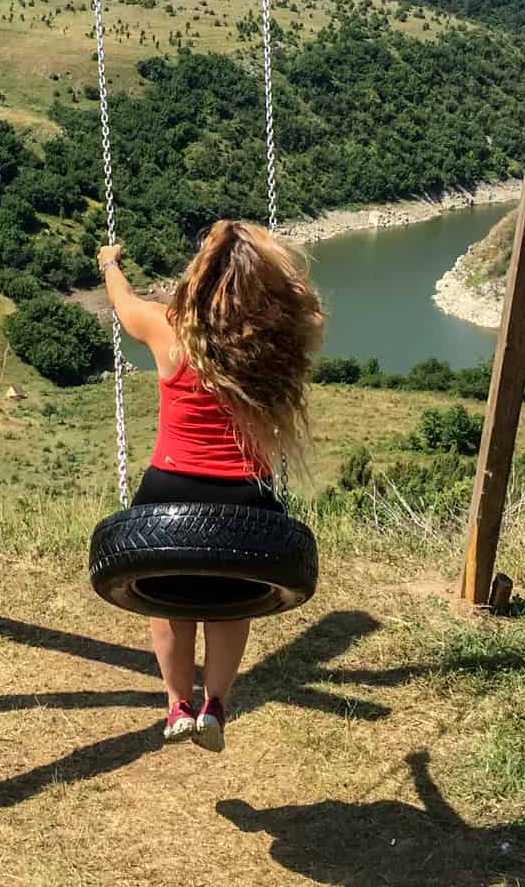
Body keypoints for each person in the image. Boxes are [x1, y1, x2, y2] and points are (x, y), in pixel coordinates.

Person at [98, 219, 325, 753]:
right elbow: (309, 314)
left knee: (168, 602)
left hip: (168, 493)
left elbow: (124, 306)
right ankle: (216, 703)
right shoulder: (274, 345)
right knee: (233, 602)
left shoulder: (166, 329)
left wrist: (110, 262)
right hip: (246, 500)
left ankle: (177, 705)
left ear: (198, 277)